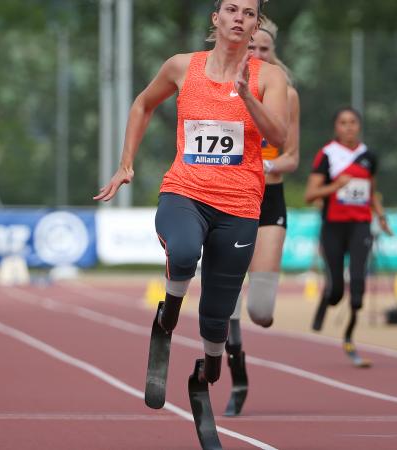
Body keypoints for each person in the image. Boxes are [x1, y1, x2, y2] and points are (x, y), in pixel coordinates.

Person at [94, 0, 287, 399]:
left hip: (239, 205)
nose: (239, 18)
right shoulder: (183, 66)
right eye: (231, 9)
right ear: (216, 18)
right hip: (186, 190)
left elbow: (281, 137)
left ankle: (209, 369)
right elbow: (143, 104)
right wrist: (125, 164)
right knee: (182, 253)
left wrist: (249, 99)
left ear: (256, 26)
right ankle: (167, 317)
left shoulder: (269, 78)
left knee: (216, 320)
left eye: (249, 13)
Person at [223, 14, 300, 416]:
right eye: (251, 47)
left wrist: (268, 167)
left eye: (264, 49)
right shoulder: (220, 87)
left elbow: (292, 155)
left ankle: (250, 292)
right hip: (230, 198)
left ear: (274, 54)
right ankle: (238, 378)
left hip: (268, 200)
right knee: (228, 307)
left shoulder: (285, 93)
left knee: (262, 311)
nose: (256, 54)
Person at [305, 107, 392, 367]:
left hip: (361, 226)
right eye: (343, 123)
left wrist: (381, 216)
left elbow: (371, 191)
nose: (349, 127)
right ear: (336, 127)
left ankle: (349, 338)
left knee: (357, 288)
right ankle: (327, 298)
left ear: (359, 126)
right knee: (336, 292)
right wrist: (336, 186)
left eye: (353, 122)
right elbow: (311, 194)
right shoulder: (327, 155)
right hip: (333, 226)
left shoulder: (369, 156)